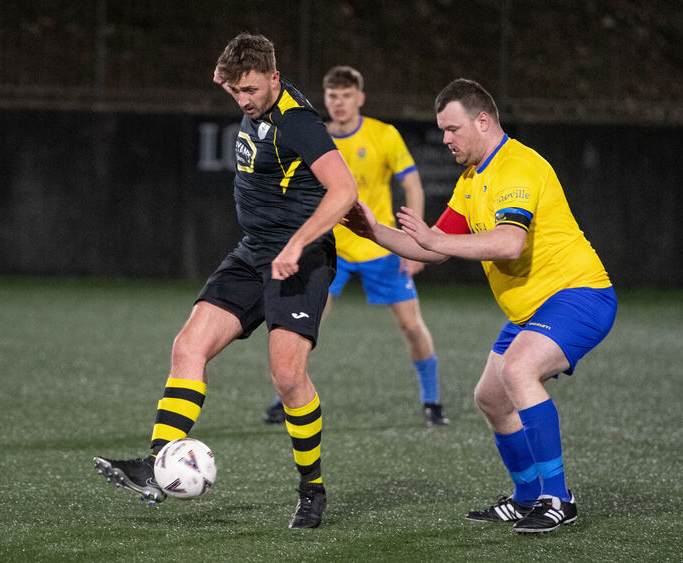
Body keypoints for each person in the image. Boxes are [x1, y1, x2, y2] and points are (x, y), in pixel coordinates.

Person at [93, 33, 357, 530]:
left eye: (251, 90)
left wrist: (298, 244)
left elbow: (344, 189)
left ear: (275, 79)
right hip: (253, 251)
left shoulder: (298, 123)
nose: (243, 100)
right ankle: (156, 465)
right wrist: (225, 76)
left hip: (298, 259)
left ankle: (312, 490)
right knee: (188, 345)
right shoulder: (250, 90)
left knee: (287, 377)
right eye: (234, 91)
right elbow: (234, 69)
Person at [344, 78, 616, 534]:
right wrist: (371, 231)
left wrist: (436, 238)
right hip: (532, 310)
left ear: (483, 121)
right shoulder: (472, 180)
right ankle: (528, 496)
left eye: (452, 129)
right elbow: (432, 249)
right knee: (490, 397)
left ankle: (558, 497)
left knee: (516, 372)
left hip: (578, 294)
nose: (445, 139)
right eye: (443, 130)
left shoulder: (517, 165)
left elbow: (510, 242)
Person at [263, 66, 449, 427]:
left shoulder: (384, 134)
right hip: (331, 249)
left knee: (411, 326)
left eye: (347, 95)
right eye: (333, 96)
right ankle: (282, 398)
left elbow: (413, 186)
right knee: (303, 323)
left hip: (381, 248)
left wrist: (415, 243)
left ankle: (433, 401)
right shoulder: (314, 136)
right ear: (326, 99)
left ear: (359, 98)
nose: (339, 103)